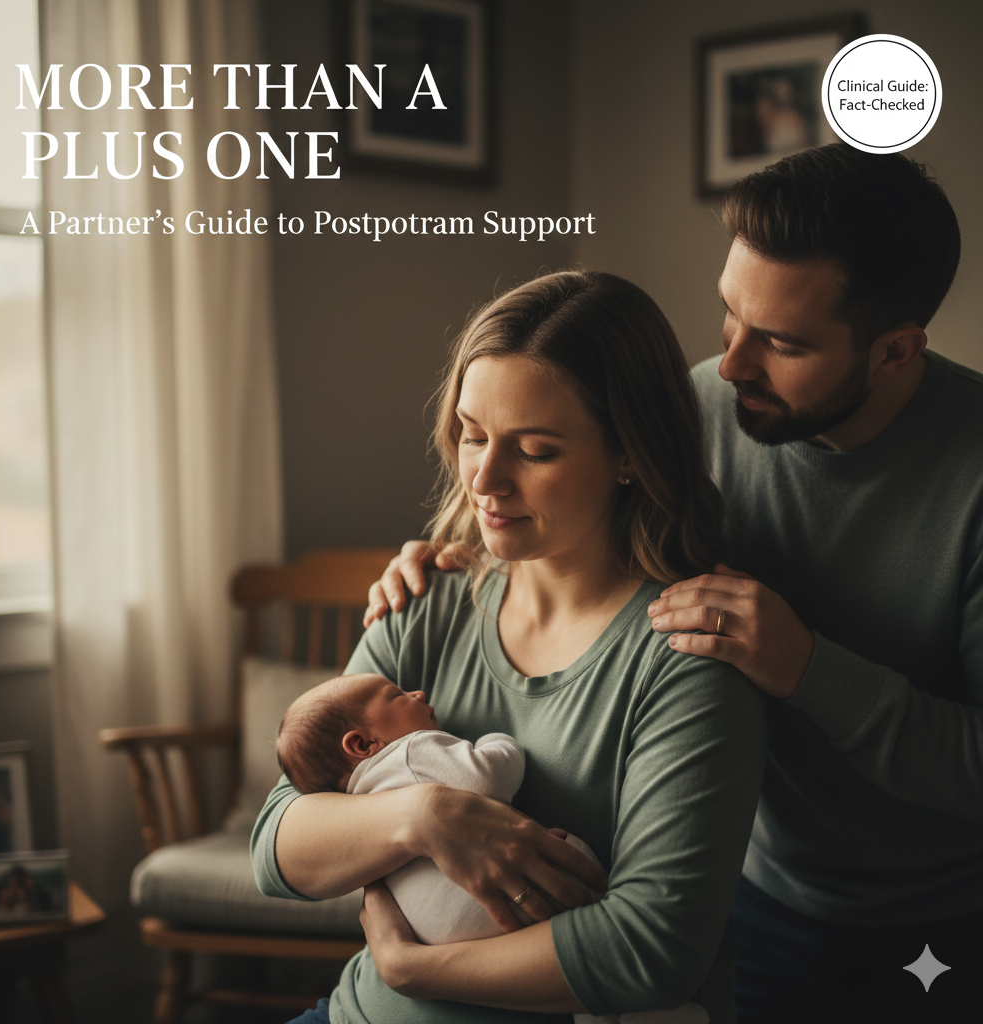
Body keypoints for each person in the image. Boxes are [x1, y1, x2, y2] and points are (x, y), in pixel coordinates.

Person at [372, 146, 982, 1024]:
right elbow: (562, 518)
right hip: (745, 896)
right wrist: (452, 556)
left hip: (942, 928)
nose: (731, 366)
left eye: (781, 343)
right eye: (730, 316)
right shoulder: (698, 412)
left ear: (895, 350)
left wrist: (809, 667)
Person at [252, 270, 767, 1024]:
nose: (485, 479)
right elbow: (278, 847)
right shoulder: (422, 601)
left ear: (630, 455)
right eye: (471, 434)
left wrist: (414, 967)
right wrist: (427, 815)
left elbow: (651, 950)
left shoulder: (688, 658)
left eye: (534, 449)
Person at [276, 672, 709, 1024]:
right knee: (572, 870)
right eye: (396, 694)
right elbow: (483, 778)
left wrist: (408, 969)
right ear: (363, 744)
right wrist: (500, 745)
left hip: (425, 937)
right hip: (469, 919)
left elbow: (649, 943)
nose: (418, 691)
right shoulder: (409, 753)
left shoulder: (351, 801)